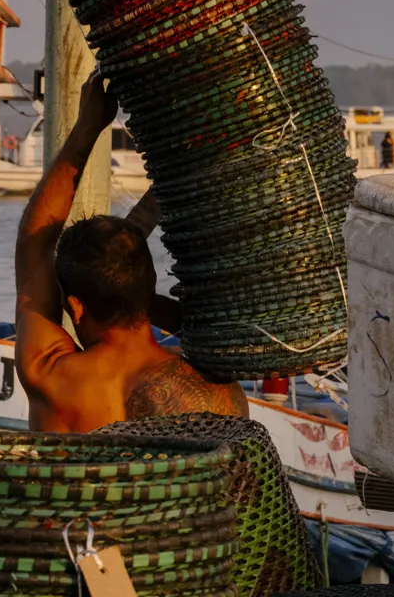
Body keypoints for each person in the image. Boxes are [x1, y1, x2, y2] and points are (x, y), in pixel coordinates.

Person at [15, 72, 248, 431]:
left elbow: (35, 242)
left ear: (75, 306)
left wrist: (87, 128)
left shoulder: (50, 377)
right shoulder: (217, 390)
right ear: (146, 287)